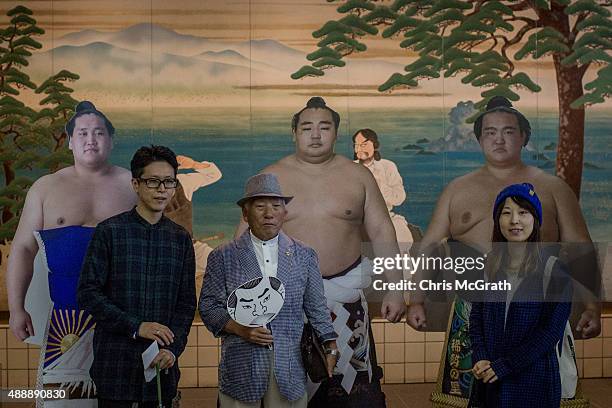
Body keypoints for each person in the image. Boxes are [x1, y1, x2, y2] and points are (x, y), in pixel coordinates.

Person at [406, 96, 600, 399]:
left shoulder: (553, 188)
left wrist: (592, 306)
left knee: (535, 390)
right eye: (490, 131)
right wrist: (415, 299)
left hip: (537, 309)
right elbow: (429, 246)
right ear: (479, 138)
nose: (499, 138)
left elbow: (580, 247)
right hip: (475, 308)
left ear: (524, 137)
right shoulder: (457, 189)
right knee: (475, 396)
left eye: (508, 131)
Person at [238, 97, 406, 407]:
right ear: (294, 133)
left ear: (336, 133)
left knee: (356, 395)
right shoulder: (271, 178)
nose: (315, 135)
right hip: (284, 304)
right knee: (286, 394)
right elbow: (245, 243)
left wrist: (395, 289)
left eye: (324, 127)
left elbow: (383, 231)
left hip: (346, 301)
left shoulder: (359, 176)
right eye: (307, 127)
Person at [6, 101, 136, 405]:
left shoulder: (133, 186)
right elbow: (23, 248)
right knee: (62, 399)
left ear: (111, 140)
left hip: (123, 317)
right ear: (70, 141)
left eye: (99, 132)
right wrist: (16, 308)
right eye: (83, 133)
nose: (91, 139)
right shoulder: (45, 188)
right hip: (67, 320)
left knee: (122, 399)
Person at [200, 173, 338, 407]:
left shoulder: (303, 255)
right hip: (241, 366)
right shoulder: (223, 256)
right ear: (245, 213)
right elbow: (208, 306)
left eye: (276, 206)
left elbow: (316, 307)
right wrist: (239, 328)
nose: (269, 213)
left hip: (289, 365)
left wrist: (330, 344)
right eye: (260, 206)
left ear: (285, 213)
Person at [77, 145, 196, 407]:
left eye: (169, 182)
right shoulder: (110, 232)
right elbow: (88, 292)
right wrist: (136, 326)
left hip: (161, 371)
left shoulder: (180, 239)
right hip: (115, 367)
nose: (162, 189)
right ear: (135, 184)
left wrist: (172, 350)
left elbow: (186, 304)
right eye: (153, 181)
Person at [469, 183, 571, 407]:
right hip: (490, 381)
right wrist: (481, 356)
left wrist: (506, 365)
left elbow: (550, 332)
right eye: (506, 213)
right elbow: (476, 318)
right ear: (498, 221)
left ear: (535, 220)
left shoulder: (554, 271)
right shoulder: (487, 266)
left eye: (523, 212)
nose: (515, 220)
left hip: (534, 382)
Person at [164, 154, 222, 293]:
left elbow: (214, 174)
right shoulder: (138, 191)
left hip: (192, 248)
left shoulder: (183, 183)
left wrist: (194, 164)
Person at [353, 128, 414, 252]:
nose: (359, 148)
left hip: (386, 217)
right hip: (357, 220)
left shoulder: (387, 166)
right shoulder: (350, 168)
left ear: (374, 145)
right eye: (356, 145)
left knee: (401, 239)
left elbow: (399, 197)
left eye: (364, 144)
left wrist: (380, 185)